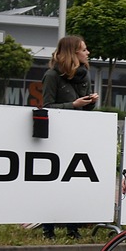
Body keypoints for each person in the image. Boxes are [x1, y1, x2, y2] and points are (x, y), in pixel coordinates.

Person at [40, 35, 99, 239]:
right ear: (73, 53)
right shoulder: (51, 75)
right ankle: (48, 229)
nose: (87, 53)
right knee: (54, 181)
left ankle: (72, 228)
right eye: (83, 49)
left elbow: (86, 108)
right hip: (57, 136)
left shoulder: (84, 75)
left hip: (78, 134)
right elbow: (46, 107)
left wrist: (90, 101)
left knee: (76, 181)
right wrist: (73, 105)